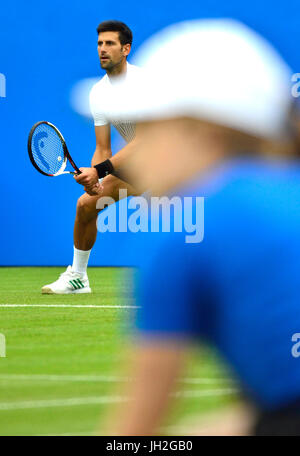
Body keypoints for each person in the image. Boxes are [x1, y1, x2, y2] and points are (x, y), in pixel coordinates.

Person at [101, 19, 300, 435]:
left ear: (203, 134)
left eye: (150, 128)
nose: (134, 153)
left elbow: (132, 436)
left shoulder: (185, 236)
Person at [42, 20, 140, 294]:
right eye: (99, 44)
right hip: (141, 166)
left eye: (110, 43)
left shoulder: (144, 84)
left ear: (126, 49)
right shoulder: (98, 93)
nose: (102, 49)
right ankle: (78, 278)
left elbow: (146, 142)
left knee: (205, 219)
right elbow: (103, 148)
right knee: (87, 204)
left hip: (177, 162)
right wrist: (94, 178)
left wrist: (102, 170)